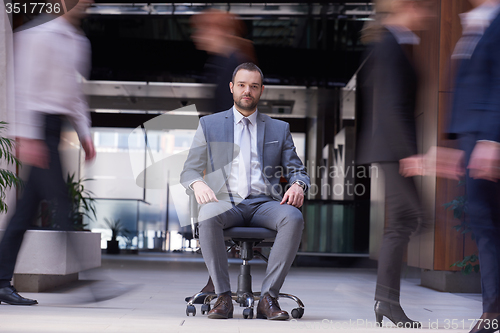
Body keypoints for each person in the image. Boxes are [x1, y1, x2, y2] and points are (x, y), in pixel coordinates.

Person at [180, 62, 309, 320]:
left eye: (253, 86)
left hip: (265, 204)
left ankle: (268, 298)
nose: (246, 91)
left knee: (293, 217)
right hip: (225, 201)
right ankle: (223, 297)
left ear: (261, 90)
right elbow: (189, 171)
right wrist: (198, 183)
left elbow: (298, 170)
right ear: (232, 88)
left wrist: (298, 184)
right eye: (241, 85)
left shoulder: (279, 129)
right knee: (207, 215)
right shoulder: (209, 125)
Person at [0, 0, 96, 305]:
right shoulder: (35, 36)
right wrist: (27, 137)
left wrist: (85, 133)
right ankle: (95, 285)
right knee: (61, 202)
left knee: (25, 211)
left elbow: (74, 95)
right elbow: (23, 88)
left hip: (56, 130)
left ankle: (1, 282)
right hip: (37, 127)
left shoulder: (80, 42)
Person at [357, 0, 431, 328]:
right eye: (422, 7)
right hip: (393, 149)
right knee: (418, 219)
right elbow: (389, 106)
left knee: (400, 225)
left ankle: (386, 302)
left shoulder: (395, 42)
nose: (426, 14)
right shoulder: (389, 43)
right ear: (406, 7)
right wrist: (408, 153)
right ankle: (386, 300)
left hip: (392, 148)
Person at [447, 1, 500, 332]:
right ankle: (492, 311)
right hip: (473, 141)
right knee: (485, 229)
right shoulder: (476, 23)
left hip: (488, 141)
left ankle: (492, 315)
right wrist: (457, 143)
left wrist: (492, 139)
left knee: (488, 229)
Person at [190, 9, 256, 113]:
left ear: (217, 30)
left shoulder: (235, 65)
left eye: (201, 30)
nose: (196, 36)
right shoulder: (220, 60)